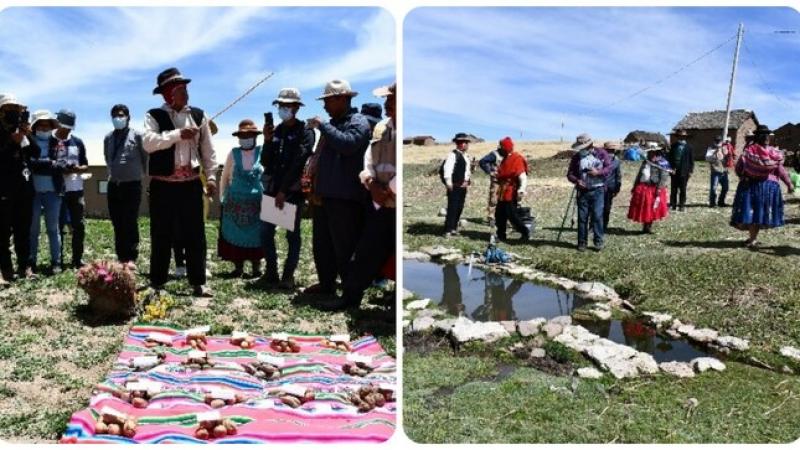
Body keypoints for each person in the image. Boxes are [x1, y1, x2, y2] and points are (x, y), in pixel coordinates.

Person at [142, 67, 217, 297]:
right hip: (162, 185)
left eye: (185, 88)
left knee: (195, 233)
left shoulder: (198, 115)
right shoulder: (153, 116)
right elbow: (148, 142)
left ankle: (198, 282)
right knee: (161, 233)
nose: (186, 93)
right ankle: (157, 282)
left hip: (191, 183)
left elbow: (208, 149)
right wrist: (176, 135)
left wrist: (212, 176)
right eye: (180, 89)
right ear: (168, 94)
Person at [327, 82, 397, 311]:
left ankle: (394, 306)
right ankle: (351, 297)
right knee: (366, 252)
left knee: (396, 256)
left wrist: (390, 189)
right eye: (387, 99)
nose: (387, 103)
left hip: (394, 202)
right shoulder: (381, 128)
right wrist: (370, 182)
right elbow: (368, 160)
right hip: (378, 202)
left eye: (392, 98)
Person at [305, 79, 371, 296]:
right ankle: (326, 285)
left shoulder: (359, 122)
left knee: (344, 248)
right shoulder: (332, 125)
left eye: (328, 101)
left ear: (342, 99)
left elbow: (348, 144)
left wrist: (323, 125)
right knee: (322, 245)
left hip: (345, 198)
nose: (324, 106)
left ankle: (350, 293)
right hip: (325, 195)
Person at [260, 88, 314, 289]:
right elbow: (266, 161)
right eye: (280, 106)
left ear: (296, 108)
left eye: (287, 106)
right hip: (273, 189)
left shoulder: (306, 132)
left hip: (292, 191)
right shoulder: (277, 131)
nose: (283, 109)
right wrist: (266, 140)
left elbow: (298, 162)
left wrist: (284, 190)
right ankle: (271, 272)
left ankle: (288, 276)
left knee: (292, 235)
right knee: (265, 231)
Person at [730, 125, 794, 248]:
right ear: (767, 138)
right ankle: (753, 238)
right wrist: (789, 184)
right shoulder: (774, 153)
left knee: (752, 211)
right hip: (769, 187)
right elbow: (780, 170)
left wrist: (744, 176)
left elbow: (739, 169)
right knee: (759, 212)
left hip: (750, 185)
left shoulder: (749, 152)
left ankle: (752, 239)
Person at [217, 119, 264, 278]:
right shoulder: (233, 153)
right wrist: (222, 198)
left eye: (249, 135)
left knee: (256, 234)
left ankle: (256, 267)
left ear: (255, 136)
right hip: (234, 202)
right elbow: (224, 177)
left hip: (256, 203)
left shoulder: (262, 152)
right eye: (243, 136)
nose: (246, 138)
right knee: (235, 233)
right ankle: (238, 267)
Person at [104, 104, 146, 264]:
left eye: (121, 115)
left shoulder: (137, 136)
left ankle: (132, 257)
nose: (118, 118)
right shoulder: (108, 138)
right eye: (115, 115)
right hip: (114, 185)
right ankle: (121, 256)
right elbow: (107, 159)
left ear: (128, 117)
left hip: (132, 185)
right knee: (117, 221)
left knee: (130, 220)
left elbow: (145, 159)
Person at [0, 94, 35, 284]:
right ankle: (5, 270)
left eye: (16, 109)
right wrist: (11, 141)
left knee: (23, 230)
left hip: (24, 189)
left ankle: (25, 266)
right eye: (9, 109)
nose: (13, 113)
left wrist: (26, 135)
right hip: (3, 190)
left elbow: (35, 152)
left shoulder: (22, 132)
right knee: (3, 233)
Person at [28, 110, 64, 274]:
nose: (44, 128)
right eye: (40, 125)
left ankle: (56, 262)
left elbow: (61, 164)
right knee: (32, 229)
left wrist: (40, 164)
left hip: (53, 193)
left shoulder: (58, 143)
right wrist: (49, 164)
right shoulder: (27, 142)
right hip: (32, 193)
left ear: (51, 127)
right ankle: (31, 261)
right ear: (35, 126)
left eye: (47, 125)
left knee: (52, 229)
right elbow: (29, 164)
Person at [54, 109, 89, 269]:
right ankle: (58, 260)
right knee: (58, 226)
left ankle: (77, 259)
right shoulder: (50, 142)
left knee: (78, 226)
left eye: (68, 127)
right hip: (57, 190)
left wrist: (77, 169)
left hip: (76, 189)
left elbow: (85, 164)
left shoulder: (78, 142)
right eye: (63, 126)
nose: (65, 130)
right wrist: (61, 169)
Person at [566, 133, 612, 251]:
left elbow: (609, 168)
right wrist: (577, 181)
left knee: (597, 216)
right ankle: (582, 242)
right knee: (582, 218)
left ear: (590, 145)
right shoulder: (576, 157)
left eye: (583, 148)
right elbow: (570, 174)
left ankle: (598, 241)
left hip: (598, 190)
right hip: (583, 191)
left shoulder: (602, 153)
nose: (581, 150)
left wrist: (598, 172)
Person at [628, 143, 672, 234]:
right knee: (644, 207)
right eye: (649, 152)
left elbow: (664, 176)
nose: (649, 154)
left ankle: (648, 226)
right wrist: (635, 186)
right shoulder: (645, 162)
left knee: (651, 207)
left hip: (654, 187)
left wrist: (659, 189)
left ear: (656, 152)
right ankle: (645, 226)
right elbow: (639, 174)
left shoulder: (662, 162)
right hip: (643, 187)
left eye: (651, 152)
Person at [494, 136, 529, 241]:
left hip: (510, 192)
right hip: (502, 192)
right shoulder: (504, 159)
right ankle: (501, 235)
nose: (499, 150)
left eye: (501, 148)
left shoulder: (516, 159)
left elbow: (522, 176)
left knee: (512, 215)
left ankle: (525, 232)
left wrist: (521, 189)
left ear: (506, 148)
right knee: (499, 214)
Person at [442, 132, 474, 237]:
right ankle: (448, 229)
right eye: (463, 142)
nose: (465, 144)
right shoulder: (453, 155)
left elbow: (466, 172)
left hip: (463, 186)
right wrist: (448, 183)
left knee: (459, 207)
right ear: (459, 144)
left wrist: (467, 181)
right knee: (452, 207)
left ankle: (454, 228)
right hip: (454, 186)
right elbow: (447, 170)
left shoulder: (465, 156)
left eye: (466, 142)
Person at [478, 143, 504, 227]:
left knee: (504, 199)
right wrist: (490, 171)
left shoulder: (508, 154)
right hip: (496, 180)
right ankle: (491, 218)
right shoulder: (494, 154)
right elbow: (482, 161)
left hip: (506, 181)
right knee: (494, 199)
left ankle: (503, 217)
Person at [705, 136, 735, 208]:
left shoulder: (724, 148)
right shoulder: (711, 149)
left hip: (724, 171)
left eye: (719, 141)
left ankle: (721, 201)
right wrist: (714, 154)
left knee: (725, 188)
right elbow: (707, 158)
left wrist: (727, 152)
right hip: (715, 171)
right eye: (717, 141)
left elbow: (729, 156)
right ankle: (712, 203)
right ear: (714, 141)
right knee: (713, 188)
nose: (718, 142)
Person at [668, 129, 694, 211]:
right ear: (677, 137)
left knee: (683, 189)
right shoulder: (673, 146)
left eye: (683, 136)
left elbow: (691, 160)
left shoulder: (689, 147)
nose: (681, 138)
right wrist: (670, 168)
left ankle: (682, 205)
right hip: (674, 171)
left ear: (685, 137)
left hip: (684, 171)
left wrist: (690, 171)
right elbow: (670, 158)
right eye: (680, 136)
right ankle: (673, 204)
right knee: (674, 189)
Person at [602, 141, 622, 229]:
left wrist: (617, 188)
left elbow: (618, 176)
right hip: (598, 187)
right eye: (609, 151)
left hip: (610, 188)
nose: (611, 153)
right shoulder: (599, 160)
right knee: (596, 208)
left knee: (606, 208)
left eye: (612, 151)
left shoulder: (616, 161)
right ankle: (593, 225)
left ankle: (604, 225)